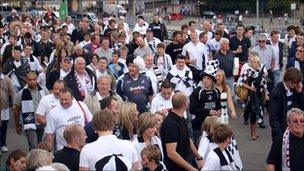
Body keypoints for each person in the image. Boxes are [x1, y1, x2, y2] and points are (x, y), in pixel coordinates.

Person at [161, 92, 203, 171]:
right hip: (177, 168)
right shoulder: (171, 124)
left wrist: (198, 157)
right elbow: (171, 153)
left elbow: (187, 139)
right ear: (185, 104)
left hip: (188, 161)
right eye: (188, 101)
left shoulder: (181, 118)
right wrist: (191, 169)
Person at [14, 71, 49, 150]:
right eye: (30, 80)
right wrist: (17, 125)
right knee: (33, 147)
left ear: (37, 79)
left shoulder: (44, 91)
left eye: (34, 79)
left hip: (43, 122)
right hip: (29, 124)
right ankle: (33, 161)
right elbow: (16, 110)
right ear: (26, 80)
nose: (32, 81)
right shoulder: (21, 93)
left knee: (41, 146)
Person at [237, 55, 268, 139]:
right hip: (251, 96)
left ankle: (254, 131)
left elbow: (264, 85)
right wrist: (250, 88)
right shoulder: (248, 71)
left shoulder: (262, 72)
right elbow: (240, 82)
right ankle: (253, 132)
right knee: (253, 113)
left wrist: (266, 94)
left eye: (258, 62)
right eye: (255, 62)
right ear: (251, 62)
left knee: (259, 112)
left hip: (259, 95)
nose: (256, 64)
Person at [269, 67, 304, 140]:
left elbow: (301, 109)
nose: (296, 85)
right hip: (282, 130)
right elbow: (273, 116)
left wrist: (300, 92)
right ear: (288, 80)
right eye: (295, 83)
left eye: (298, 82)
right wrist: (279, 135)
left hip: (295, 129)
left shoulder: (295, 89)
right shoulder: (276, 92)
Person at [189, 64, 221, 142]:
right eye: (204, 78)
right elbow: (192, 109)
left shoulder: (216, 92)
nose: (205, 80)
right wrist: (208, 112)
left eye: (208, 78)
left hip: (213, 126)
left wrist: (219, 111)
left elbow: (218, 105)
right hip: (199, 126)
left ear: (212, 80)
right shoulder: (197, 92)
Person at [0, 64, 15, 153]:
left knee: (4, 126)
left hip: (4, 108)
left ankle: (3, 144)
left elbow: (12, 92)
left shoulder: (6, 79)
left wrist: (13, 103)